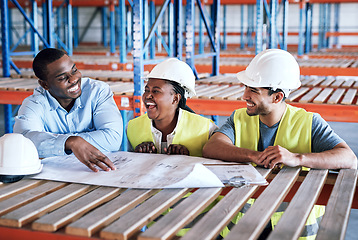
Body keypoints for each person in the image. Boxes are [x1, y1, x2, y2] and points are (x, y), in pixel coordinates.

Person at [203, 49, 357, 239]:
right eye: (245, 87)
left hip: (291, 228)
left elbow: (349, 158)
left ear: (277, 97)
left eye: (253, 90)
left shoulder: (308, 122)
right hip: (244, 226)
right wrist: (254, 156)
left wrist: (297, 158)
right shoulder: (239, 118)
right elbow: (212, 147)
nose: (244, 95)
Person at [14, 48, 123, 172]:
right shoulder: (34, 104)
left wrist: (67, 143)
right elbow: (23, 142)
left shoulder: (97, 92)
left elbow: (113, 138)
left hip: (101, 171)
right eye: (62, 78)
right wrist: (70, 142)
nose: (73, 79)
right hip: (56, 176)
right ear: (45, 85)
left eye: (74, 70)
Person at [127, 58, 217, 157]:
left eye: (156, 91)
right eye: (147, 90)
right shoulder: (132, 128)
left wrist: (188, 159)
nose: (148, 96)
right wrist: (138, 157)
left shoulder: (206, 130)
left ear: (175, 98)